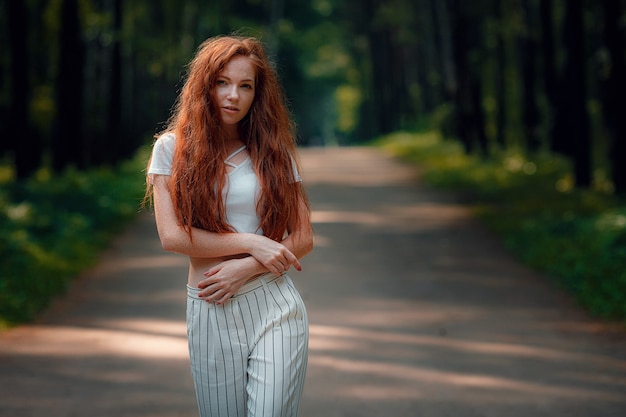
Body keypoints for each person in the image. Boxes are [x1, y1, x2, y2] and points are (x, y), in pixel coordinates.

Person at [145, 35, 313, 417]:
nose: (233, 95)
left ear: (257, 94)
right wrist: (254, 243)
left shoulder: (274, 151)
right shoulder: (171, 149)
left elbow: (302, 236)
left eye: (245, 86)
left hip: (275, 305)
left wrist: (247, 266)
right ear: (204, 84)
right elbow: (172, 237)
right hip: (210, 308)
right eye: (222, 82)